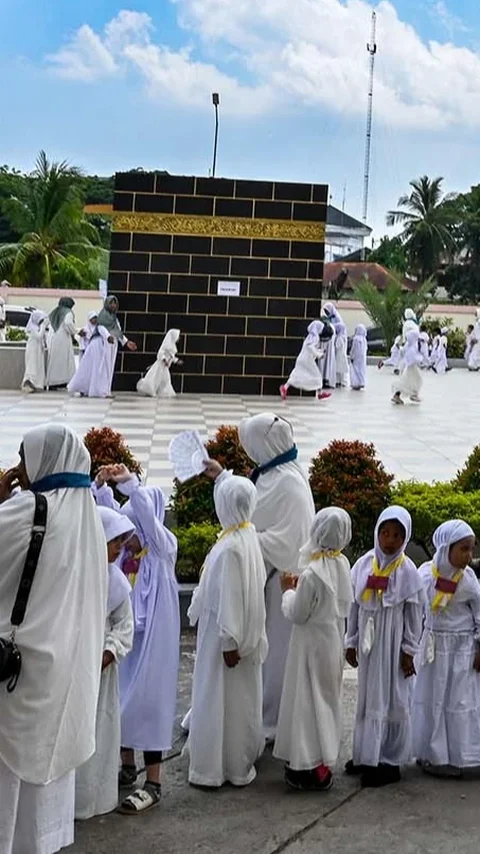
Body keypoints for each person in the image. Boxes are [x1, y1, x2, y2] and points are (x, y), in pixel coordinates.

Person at [0, 424, 107, 854]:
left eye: (26, 459)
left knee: (9, 790)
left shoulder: (27, 512)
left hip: (17, 683)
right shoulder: (89, 518)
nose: (21, 470)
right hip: (63, 678)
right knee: (43, 796)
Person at [204, 413, 315, 741]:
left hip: (280, 587)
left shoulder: (289, 483)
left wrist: (243, 539)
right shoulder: (272, 474)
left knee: (274, 660)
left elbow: (290, 541)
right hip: (264, 580)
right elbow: (248, 507)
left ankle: (267, 720)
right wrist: (223, 478)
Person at [93, 464, 180, 815]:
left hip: (155, 642)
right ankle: (127, 765)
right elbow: (109, 520)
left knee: (148, 704)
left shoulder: (161, 549)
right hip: (130, 640)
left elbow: (142, 512)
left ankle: (154, 782)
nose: (128, 541)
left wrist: (129, 483)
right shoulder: (125, 560)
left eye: (134, 533)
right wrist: (99, 488)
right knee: (122, 697)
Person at [187, 475, 268, 787]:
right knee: (240, 700)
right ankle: (238, 757)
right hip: (238, 635)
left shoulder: (230, 548)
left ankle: (217, 766)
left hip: (224, 639)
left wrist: (228, 642)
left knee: (220, 697)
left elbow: (230, 599)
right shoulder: (246, 536)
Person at [274, 507, 353, 791]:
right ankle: (324, 762)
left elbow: (297, 613)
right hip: (332, 641)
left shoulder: (312, 573)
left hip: (308, 645)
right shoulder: (342, 564)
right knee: (327, 701)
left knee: (305, 704)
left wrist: (287, 590)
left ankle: (306, 766)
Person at [345, 506, 424, 788]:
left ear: (405, 538)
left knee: (392, 697)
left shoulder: (407, 572)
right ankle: (367, 753)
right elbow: (354, 607)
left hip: (392, 645)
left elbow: (414, 618)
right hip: (369, 644)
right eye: (385, 533)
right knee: (368, 697)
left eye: (397, 535)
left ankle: (389, 760)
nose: (389, 540)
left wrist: (408, 650)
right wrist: (351, 641)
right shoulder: (364, 564)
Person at [75, 506, 134, 820]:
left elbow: (124, 625)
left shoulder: (116, 582)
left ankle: (96, 798)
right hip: (73, 670)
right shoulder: (73, 575)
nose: (118, 548)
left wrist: (107, 653)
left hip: (102, 670)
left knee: (100, 729)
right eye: (113, 540)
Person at [413, 520, 480, 778]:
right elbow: (416, 610)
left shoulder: (469, 580)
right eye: (463, 549)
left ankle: (460, 756)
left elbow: (478, 613)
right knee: (432, 700)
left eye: (471, 549)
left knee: (459, 702)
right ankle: (431, 754)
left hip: (461, 649)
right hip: (433, 649)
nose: (469, 556)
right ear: (445, 547)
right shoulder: (425, 576)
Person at [280, 321, 332, 401]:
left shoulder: (310, 336)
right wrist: (319, 354)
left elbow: (309, 348)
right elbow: (310, 347)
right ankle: (320, 393)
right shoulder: (315, 337)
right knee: (317, 376)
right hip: (307, 360)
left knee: (296, 374)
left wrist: (319, 351)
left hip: (302, 359)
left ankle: (285, 387)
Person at [67, 314, 115, 398]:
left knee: (97, 369)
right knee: (86, 369)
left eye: (96, 318)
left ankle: (97, 390)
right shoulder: (85, 328)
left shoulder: (100, 327)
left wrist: (109, 338)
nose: (94, 320)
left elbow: (106, 334)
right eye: (93, 318)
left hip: (98, 351)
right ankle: (83, 388)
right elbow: (80, 339)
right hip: (89, 351)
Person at [97, 295, 137, 393]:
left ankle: (106, 390)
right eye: (111, 303)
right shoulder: (103, 315)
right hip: (104, 344)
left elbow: (118, 331)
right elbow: (100, 327)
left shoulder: (114, 317)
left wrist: (126, 342)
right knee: (104, 366)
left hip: (113, 344)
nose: (113, 305)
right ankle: (100, 390)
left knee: (110, 367)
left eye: (115, 303)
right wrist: (107, 336)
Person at [137, 329, 182, 397]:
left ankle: (163, 391)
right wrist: (165, 360)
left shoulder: (172, 347)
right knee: (156, 377)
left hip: (165, 367)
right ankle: (152, 390)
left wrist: (176, 361)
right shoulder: (165, 346)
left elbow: (171, 357)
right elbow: (160, 354)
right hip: (160, 366)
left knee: (165, 379)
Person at [46, 297, 77, 389]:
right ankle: (60, 382)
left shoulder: (55, 311)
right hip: (63, 338)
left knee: (55, 361)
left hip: (53, 338)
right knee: (63, 361)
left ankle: (54, 382)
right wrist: (74, 332)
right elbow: (68, 323)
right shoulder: (68, 312)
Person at [392, 329, 423, 405]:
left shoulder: (409, 345)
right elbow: (412, 358)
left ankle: (414, 394)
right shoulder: (412, 347)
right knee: (408, 382)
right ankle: (408, 395)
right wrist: (420, 359)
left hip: (410, 366)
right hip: (411, 367)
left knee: (413, 381)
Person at [21, 309, 47, 393]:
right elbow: (39, 336)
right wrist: (43, 327)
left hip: (38, 350)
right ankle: (28, 383)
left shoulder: (37, 328)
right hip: (33, 350)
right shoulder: (33, 328)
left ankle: (35, 384)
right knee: (32, 367)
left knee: (37, 367)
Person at [322, 302, 343, 389]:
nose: (327, 313)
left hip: (336, 342)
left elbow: (340, 329)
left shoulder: (337, 318)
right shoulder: (328, 318)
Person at [349, 324, 368, 390]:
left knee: (355, 370)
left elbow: (353, 349)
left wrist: (351, 356)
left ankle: (355, 383)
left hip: (356, 357)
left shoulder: (356, 339)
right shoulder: (364, 339)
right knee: (361, 370)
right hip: (362, 358)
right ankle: (361, 382)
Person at [334, 320, 349, 388]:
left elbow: (337, 345)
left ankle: (339, 381)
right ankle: (342, 381)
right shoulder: (344, 336)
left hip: (339, 355)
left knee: (338, 369)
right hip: (342, 355)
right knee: (342, 370)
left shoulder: (339, 337)